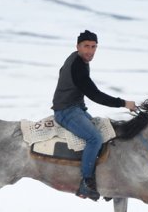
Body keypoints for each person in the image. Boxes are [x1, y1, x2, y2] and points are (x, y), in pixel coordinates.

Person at [51, 30, 137, 201]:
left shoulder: (80, 60)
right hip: (66, 111)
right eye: (86, 46)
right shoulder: (77, 66)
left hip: (76, 108)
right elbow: (95, 95)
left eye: (93, 47)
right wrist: (123, 103)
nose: (90, 51)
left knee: (106, 134)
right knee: (95, 139)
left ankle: (103, 180)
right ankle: (86, 183)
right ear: (78, 46)